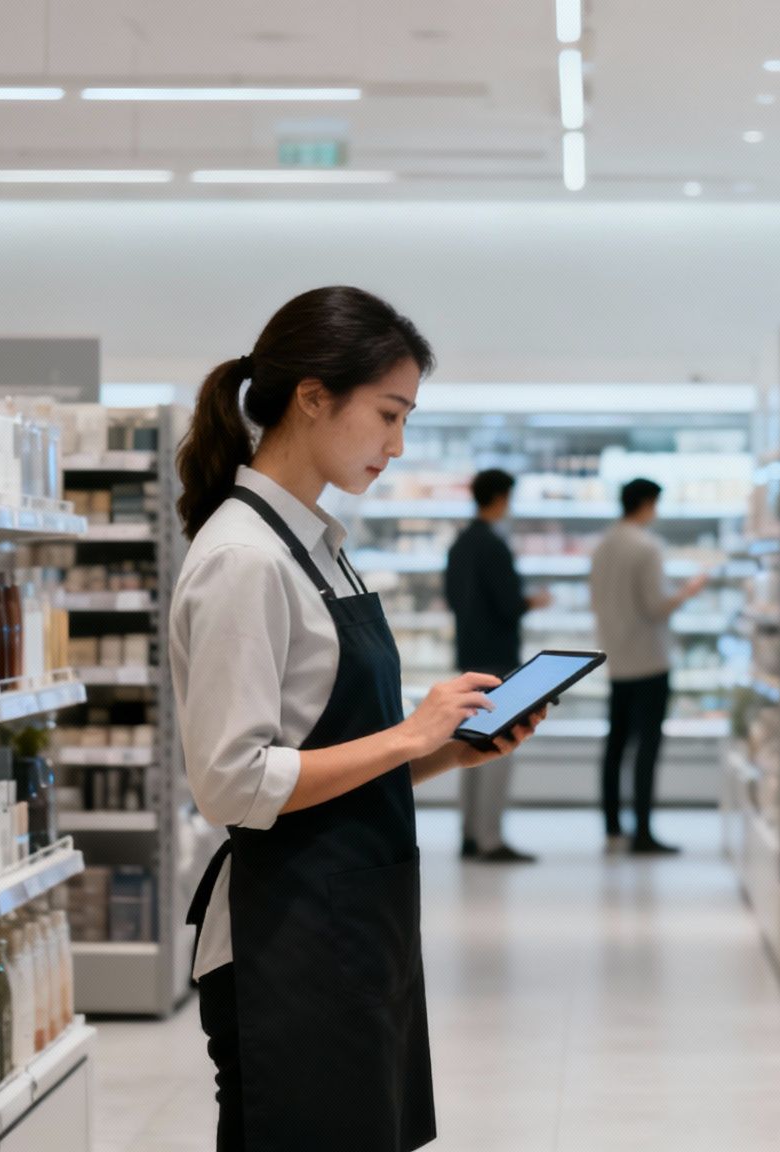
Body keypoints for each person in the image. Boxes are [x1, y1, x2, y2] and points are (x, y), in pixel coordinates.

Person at [168, 286, 544, 1152]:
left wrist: (444, 755)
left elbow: (324, 758)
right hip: (287, 937)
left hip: (354, 917)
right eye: (387, 413)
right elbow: (234, 783)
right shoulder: (243, 558)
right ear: (312, 396)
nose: (397, 444)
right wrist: (412, 732)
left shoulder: (319, 546)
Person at [588, 478, 708, 855]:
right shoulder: (646, 547)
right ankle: (642, 832)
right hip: (649, 660)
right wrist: (688, 592)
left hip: (616, 656)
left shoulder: (603, 545)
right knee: (646, 748)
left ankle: (612, 826)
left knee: (616, 745)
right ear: (645, 504)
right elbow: (656, 607)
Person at [444, 468, 551, 863]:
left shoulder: (459, 544)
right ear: (502, 498)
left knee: (468, 745)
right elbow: (508, 605)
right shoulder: (494, 545)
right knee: (497, 747)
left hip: (467, 657)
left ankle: (470, 834)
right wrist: (532, 602)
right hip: (498, 660)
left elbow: (454, 599)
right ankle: (491, 838)